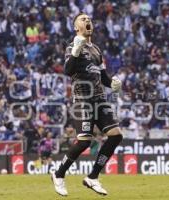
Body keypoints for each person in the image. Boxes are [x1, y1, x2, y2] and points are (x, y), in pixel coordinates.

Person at [51, 13, 123, 196]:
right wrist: (75, 50)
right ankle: (58, 174)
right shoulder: (71, 47)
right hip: (83, 100)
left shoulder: (96, 50)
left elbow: (103, 77)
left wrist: (113, 82)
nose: (87, 20)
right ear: (76, 27)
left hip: (100, 99)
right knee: (84, 141)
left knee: (115, 135)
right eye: (82, 19)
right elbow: (68, 71)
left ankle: (92, 177)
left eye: (89, 18)